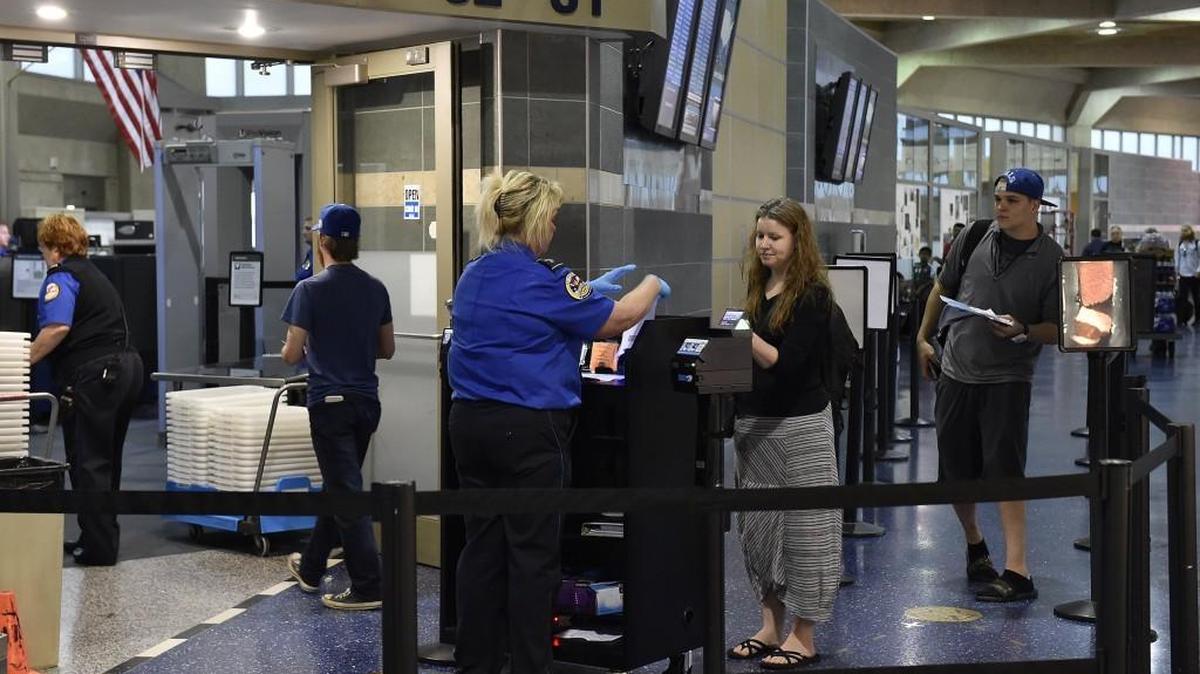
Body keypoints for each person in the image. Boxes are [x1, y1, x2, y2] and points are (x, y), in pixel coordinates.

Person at [448, 170, 666, 674]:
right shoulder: (540, 277)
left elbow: (529, 317)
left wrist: (583, 292)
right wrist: (652, 284)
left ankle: (476, 662)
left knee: (482, 548)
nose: (554, 229)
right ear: (536, 220)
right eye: (553, 220)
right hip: (528, 431)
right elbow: (618, 319)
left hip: (470, 425)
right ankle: (531, 665)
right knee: (532, 555)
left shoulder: (474, 272)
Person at [915, 168, 1063, 602]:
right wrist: (923, 338)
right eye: (998, 198)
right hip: (956, 370)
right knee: (955, 471)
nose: (1001, 206)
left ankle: (1018, 570)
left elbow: (1058, 328)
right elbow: (942, 288)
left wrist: (1023, 330)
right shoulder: (976, 235)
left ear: (1035, 206)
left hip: (1008, 379)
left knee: (1006, 471)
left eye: (1012, 200)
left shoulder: (1052, 259)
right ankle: (975, 545)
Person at [726, 197, 840, 668]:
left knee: (805, 533)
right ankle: (770, 626)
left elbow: (788, 366)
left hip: (799, 428)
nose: (765, 244)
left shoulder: (812, 296)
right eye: (760, 236)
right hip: (755, 429)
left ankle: (803, 635)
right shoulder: (759, 287)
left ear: (797, 240)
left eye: (775, 236)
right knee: (759, 530)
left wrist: (745, 335)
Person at [281, 203, 394, 611]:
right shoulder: (376, 288)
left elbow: (291, 354)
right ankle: (312, 568)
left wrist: (314, 348)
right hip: (366, 404)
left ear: (323, 242)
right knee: (339, 486)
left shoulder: (309, 290)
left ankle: (369, 584)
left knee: (347, 496)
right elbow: (387, 348)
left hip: (329, 404)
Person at [28, 214, 143, 566]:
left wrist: (21, 362)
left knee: (87, 461)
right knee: (106, 460)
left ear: (55, 247)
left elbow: (57, 327)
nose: (43, 255)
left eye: (43, 248)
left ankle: (99, 549)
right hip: (126, 368)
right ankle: (95, 536)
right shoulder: (94, 273)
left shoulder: (62, 277)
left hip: (96, 374)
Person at [1177, 225, 1200, 327]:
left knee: (1197, 298)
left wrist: (1198, 270)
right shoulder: (1180, 244)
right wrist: (1177, 271)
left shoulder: (1197, 244)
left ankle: (1198, 319)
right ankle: (1182, 319)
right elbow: (1178, 258)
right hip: (1183, 274)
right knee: (1183, 299)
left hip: (1194, 275)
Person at [295, 217, 314, 281]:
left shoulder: (320, 254)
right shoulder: (311, 253)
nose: (303, 233)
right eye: (304, 229)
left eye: (308, 229)